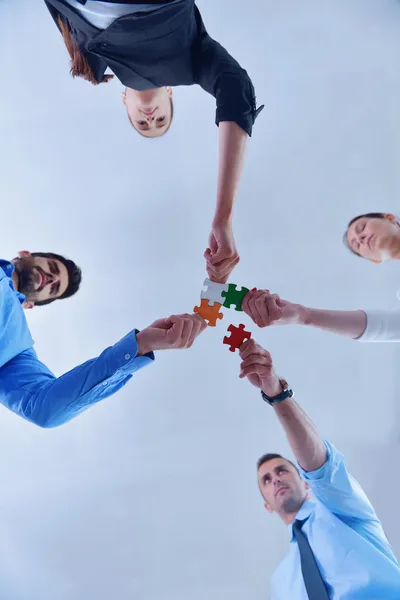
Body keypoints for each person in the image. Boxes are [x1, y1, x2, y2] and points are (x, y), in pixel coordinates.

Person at [43, 0, 264, 284]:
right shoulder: (193, 61)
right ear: (169, 92)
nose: (151, 118)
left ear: (125, 101)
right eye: (160, 120)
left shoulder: (89, 56)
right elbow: (237, 91)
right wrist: (223, 215)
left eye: (143, 123)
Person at [238, 336, 400, 599]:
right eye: (265, 480)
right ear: (267, 506)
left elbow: (319, 466)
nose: (275, 480)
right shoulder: (280, 581)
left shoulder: (339, 506)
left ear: (304, 483)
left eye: (281, 470)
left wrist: (276, 394)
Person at [0, 250, 206, 428]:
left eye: (53, 289)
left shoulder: (17, 349)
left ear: (29, 305)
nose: (51, 279)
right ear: (26, 253)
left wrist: (140, 345)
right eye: (52, 267)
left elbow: (45, 409)